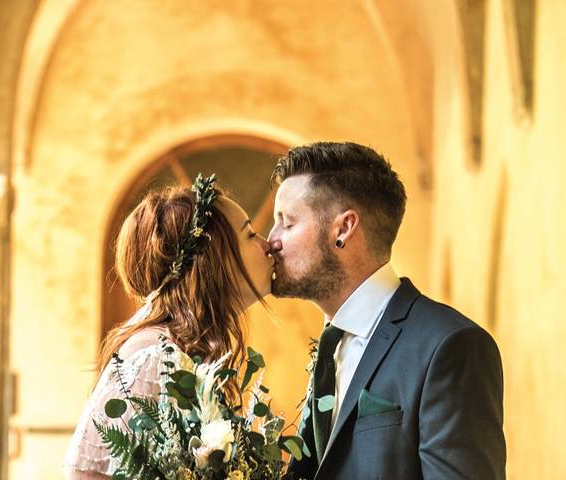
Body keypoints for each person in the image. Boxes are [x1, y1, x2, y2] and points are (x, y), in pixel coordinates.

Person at [267, 142, 504, 480]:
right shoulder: (331, 346)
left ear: (344, 228)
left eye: (287, 223)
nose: (271, 240)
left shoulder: (449, 347)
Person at [63, 177, 274, 479]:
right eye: (251, 234)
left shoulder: (184, 350)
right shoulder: (153, 357)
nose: (268, 244)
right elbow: (85, 474)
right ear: (214, 260)